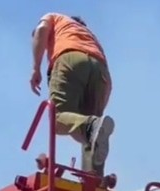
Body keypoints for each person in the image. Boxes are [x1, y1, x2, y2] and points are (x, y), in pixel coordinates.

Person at [29, 13, 115, 178]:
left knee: (57, 120)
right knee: (94, 135)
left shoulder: (54, 18)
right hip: (102, 73)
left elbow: (40, 30)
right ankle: (94, 180)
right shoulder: (89, 37)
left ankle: (91, 126)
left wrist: (36, 68)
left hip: (71, 59)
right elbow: (108, 87)